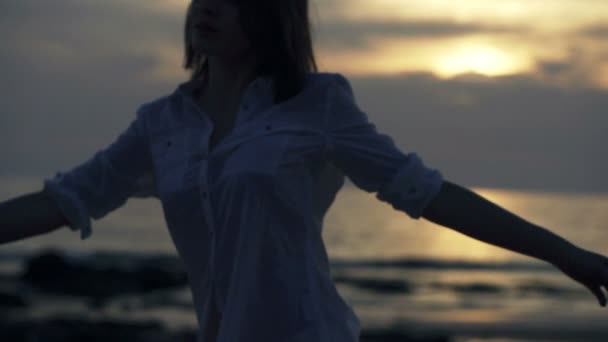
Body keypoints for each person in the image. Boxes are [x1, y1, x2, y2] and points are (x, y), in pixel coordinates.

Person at [1, 0, 607, 341]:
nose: (207, 6)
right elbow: (64, 200)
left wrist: (565, 254)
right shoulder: (161, 123)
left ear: (270, 15)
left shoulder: (318, 105)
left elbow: (429, 194)